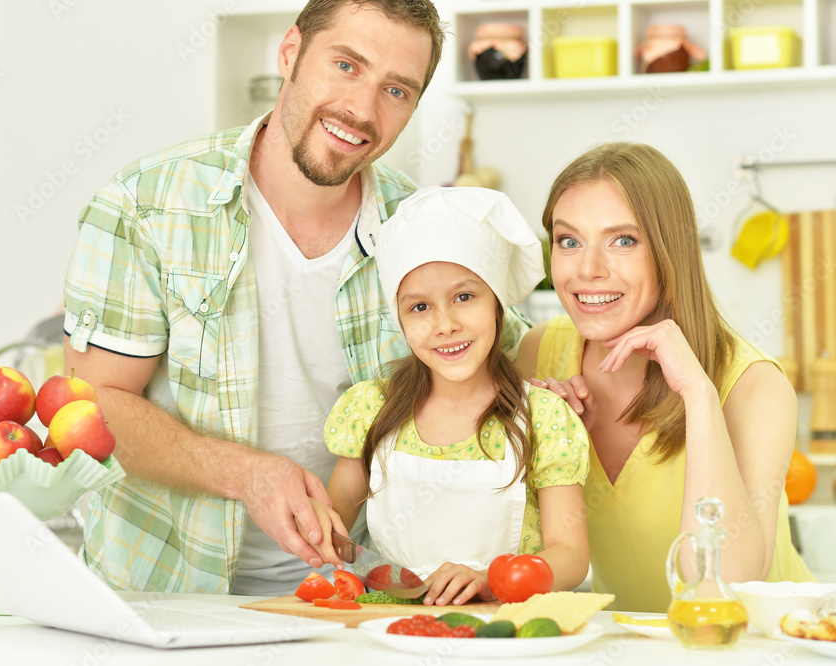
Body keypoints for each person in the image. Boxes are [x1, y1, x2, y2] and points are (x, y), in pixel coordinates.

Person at [60, 0, 531, 596]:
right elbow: (89, 410)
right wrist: (246, 474)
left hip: (360, 601)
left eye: (397, 90)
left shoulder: (420, 224)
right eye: (346, 65)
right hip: (163, 593)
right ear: (290, 54)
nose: (362, 109)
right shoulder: (144, 205)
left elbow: (507, 355)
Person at [516, 142, 815, 613]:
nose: (588, 270)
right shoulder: (539, 354)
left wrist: (699, 396)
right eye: (569, 241)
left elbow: (722, 591)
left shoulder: (755, 387)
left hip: (760, 647)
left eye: (623, 240)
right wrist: (526, 434)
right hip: (636, 648)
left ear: (669, 250)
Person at [306, 187, 591, 606]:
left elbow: (571, 556)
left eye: (464, 297)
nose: (445, 325)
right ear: (400, 319)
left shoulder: (543, 418)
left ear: (497, 304)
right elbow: (336, 529)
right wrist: (315, 524)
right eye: (419, 307)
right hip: (386, 626)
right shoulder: (370, 409)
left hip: (503, 629)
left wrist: (492, 580)